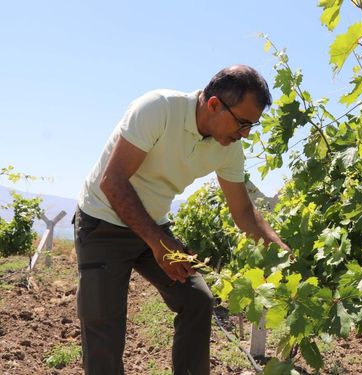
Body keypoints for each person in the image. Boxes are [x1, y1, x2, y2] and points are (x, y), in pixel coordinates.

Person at [73, 65, 289, 375]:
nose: (246, 134)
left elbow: (243, 212)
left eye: (252, 125)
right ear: (214, 104)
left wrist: (282, 254)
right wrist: (159, 242)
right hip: (103, 221)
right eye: (243, 123)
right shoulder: (157, 109)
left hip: (153, 224)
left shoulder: (229, 147)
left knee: (197, 300)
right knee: (104, 330)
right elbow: (113, 181)